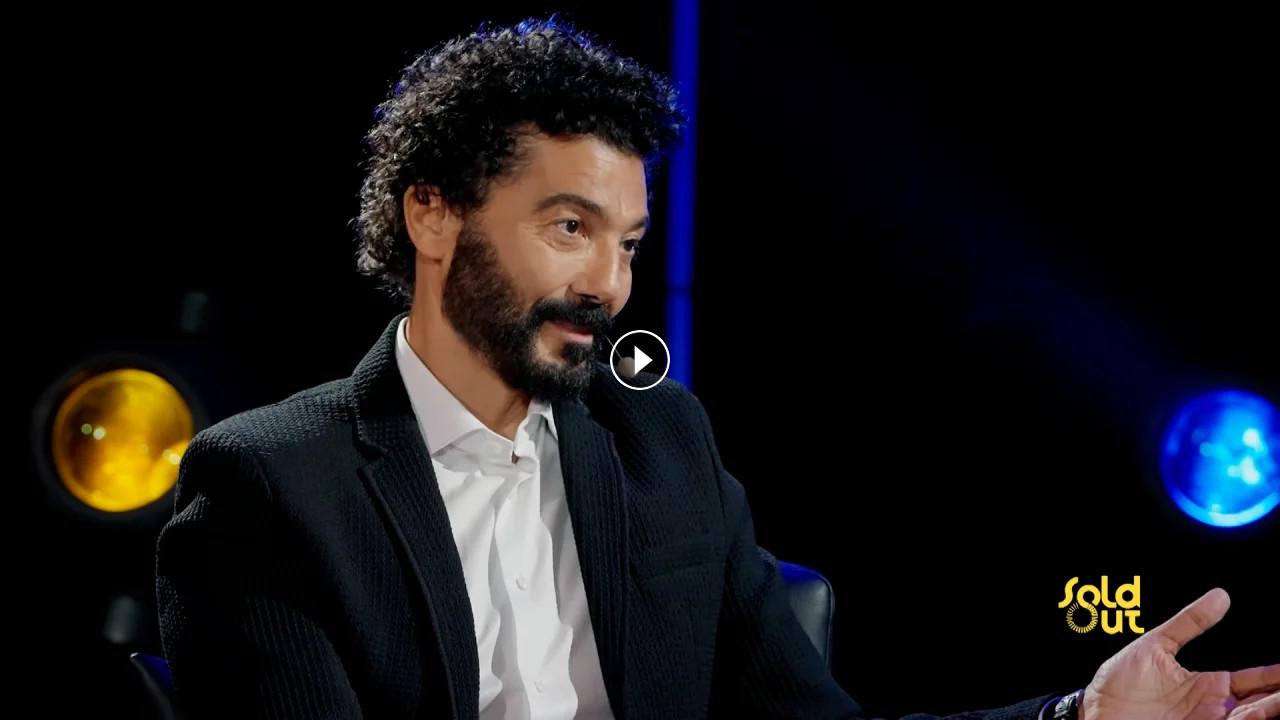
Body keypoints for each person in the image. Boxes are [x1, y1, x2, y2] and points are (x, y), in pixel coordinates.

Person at [154, 17, 1279, 720]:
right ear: (433, 215)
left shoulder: (659, 443)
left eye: (628, 244)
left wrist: (1079, 718)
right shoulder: (266, 487)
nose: (607, 284)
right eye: (568, 227)